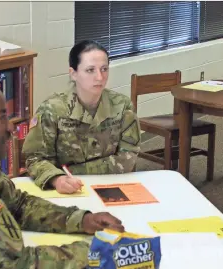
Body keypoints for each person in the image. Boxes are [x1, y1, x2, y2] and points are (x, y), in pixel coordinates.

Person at [0, 78, 125, 268]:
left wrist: (81, 220)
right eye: (1, 117)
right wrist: (95, 251)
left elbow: (16, 204)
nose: (10, 127)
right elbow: (17, 264)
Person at [22, 40, 141, 194]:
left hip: (110, 186)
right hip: (65, 189)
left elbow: (129, 155)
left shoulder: (122, 106)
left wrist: (75, 171)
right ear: (73, 74)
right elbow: (35, 159)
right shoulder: (52, 110)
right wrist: (57, 179)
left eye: (104, 69)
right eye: (90, 70)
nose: (99, 77)